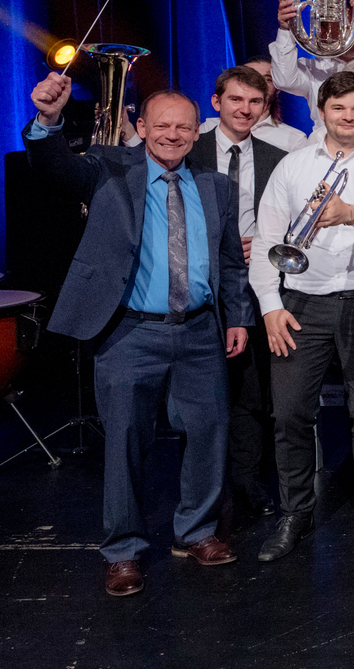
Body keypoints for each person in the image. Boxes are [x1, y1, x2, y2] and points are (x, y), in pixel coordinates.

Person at [23, 78, 250, 597]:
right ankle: (123, 550)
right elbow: (55, 169)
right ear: (142, 128)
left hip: (198, 331)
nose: (172, 135)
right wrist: (49, 122)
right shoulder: (109, 169)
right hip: (129, 332)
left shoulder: (216, 186)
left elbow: (232, 263)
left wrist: (236, 317)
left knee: (209, 435)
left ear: (198, 132)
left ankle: (196, 533)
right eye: (162, 125)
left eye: (183, 127)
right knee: (125, 441)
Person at [251, 71, 354, 562]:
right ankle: (295, 510)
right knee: (291, 415)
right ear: (320, 111)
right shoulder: (293, 166)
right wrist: (270, 306)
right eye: (339, 108)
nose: (348, 118)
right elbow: (266, 241)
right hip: (302, 302)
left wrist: (351, 212)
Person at [190, 66, 289, 521]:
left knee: (252, 394)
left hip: (257, 285)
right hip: (197, 287)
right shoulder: (188, 152)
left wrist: (265, 242)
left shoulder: (277, 158)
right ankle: (204, 491)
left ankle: (247, 484)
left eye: (255, 102)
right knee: (202, 397)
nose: (245, 109)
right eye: (236, 100)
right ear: (216, 103)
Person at [199, 57, 309, 152]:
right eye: (249, 77)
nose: (258, 84)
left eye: (267, 79)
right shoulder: (208, 128)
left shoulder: (294, 139)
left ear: (278, 87)